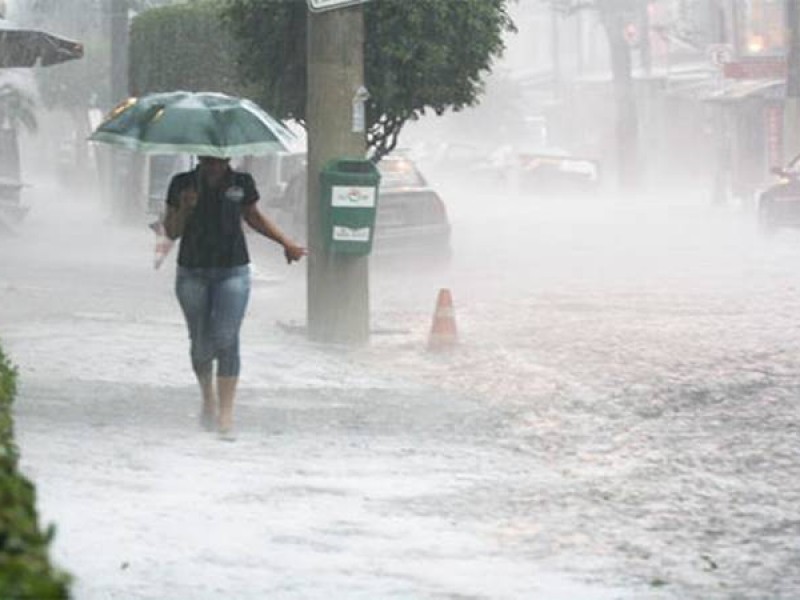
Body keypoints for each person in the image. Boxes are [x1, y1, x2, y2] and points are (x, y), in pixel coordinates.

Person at [163, 156, 306, 440]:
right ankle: (208, 399)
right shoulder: (182, 183)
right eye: (207, 160)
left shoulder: (241, 183)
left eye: (218, 160)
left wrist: (286, 243)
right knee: (201, 342)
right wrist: (184, 208)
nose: (213, 165)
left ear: (227, 157)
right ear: (200, 158)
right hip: (192, 272)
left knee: (227, 338)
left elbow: (254, 217)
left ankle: (226, 413)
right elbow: (171, 231)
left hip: (233, 271)